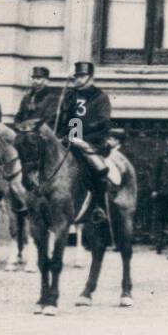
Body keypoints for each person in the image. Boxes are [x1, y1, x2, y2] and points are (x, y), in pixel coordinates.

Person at [57, 61, 116, 227]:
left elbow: (103, 123)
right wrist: (62, 134)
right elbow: (63, 118)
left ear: (90, 78)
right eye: (77, 76)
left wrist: (83, 136)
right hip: (69, 140)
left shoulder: (100, 97)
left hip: (91, 142)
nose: (78, 79)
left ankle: (99, 207)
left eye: (81, 76)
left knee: (99, 170)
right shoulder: (70, 96)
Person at [15, 65, 59, 131]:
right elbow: (19, 115)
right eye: (33, 78)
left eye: (38, 79)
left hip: (40, 133)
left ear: (46, 81)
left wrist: (31, 126)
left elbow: (49, 119)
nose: (35, 81)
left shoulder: (52, 98)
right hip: (23, 131)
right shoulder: (27, 97)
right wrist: (18, 125)